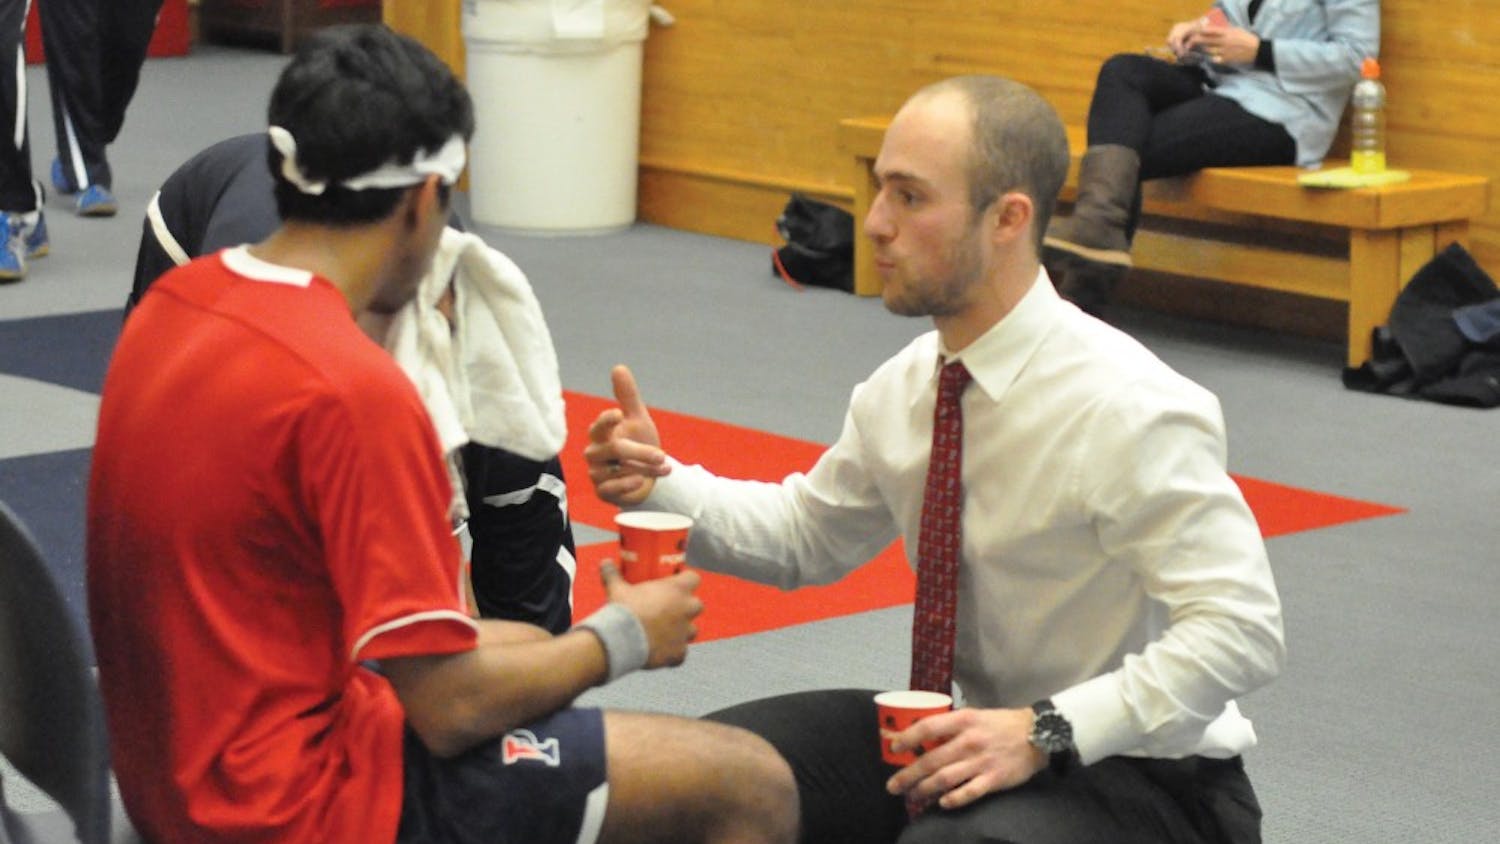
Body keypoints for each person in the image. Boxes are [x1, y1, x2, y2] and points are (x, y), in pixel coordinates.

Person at [87, 24, 796, 844]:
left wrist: (541, 648)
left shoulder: (175, 306)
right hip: (301, 806)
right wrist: (627, 635)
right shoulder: (353, 388)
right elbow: (448, 708)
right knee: (750, 784)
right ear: (427, 200)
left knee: (523, 650)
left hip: (169, 774)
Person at [585, 75, 1284, 844]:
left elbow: (1240, 629)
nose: (877, 224)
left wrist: (1043, 731)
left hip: (1152, 781)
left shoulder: (1127, 404)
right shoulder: (910, 386)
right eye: (880, 190)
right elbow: (802, 538)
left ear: (1008, 219)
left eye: (910, 198)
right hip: (977, 735)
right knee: (693, 777)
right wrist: (662, 481)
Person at [128, 131, 578, 633]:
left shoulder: (494, 377)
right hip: (198, 224)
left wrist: (534, 673)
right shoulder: (274, 371)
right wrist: (622, 638)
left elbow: (534, 609)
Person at [1042, 0, 1380, 313]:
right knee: (1123, 70)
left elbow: (1357, 57)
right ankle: (1097, 230)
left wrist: (1261, 51)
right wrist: (1200, 31)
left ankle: (1082, 299)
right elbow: (1230, 17)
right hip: (1219, 84)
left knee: (1131, 141)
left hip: (1284, 111)